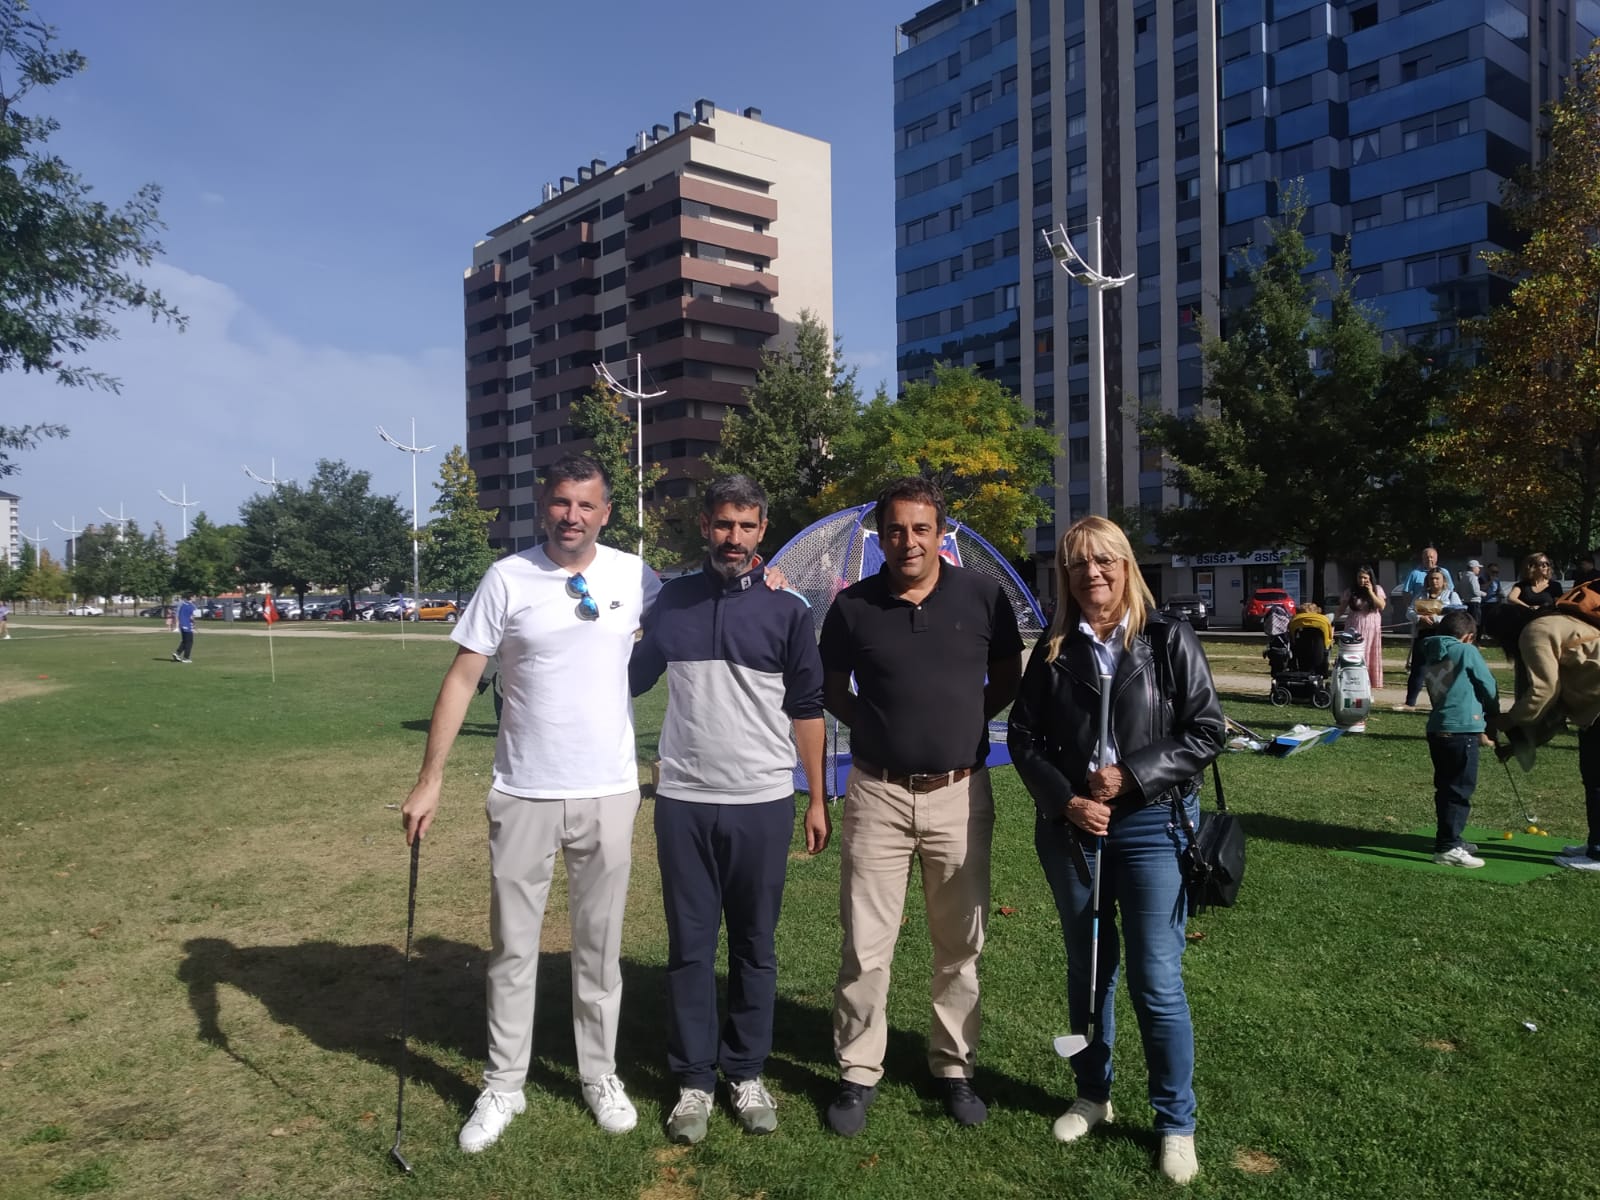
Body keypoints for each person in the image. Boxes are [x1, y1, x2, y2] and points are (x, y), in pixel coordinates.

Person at [401, 454, 662, 1152]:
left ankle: (598, 1074)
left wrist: (772, 580)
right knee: (512, 950)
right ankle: (504, 1084)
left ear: (606, 512)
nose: (571, 516)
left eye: (585, 505)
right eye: (559, 503)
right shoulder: (506, 578)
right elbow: (462, 680)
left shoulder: (635, 576)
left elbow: (703, 611)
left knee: (599, 951)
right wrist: (431, 777)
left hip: (608, 792)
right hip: (523, 792)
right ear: (541, 506)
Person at [1007, 515, 1224, 1187]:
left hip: (1153, 826)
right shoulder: (1053, 648)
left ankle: (1175, 1122)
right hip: (1075, 832)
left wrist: (1131, 774)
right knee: (1088, 971)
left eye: (1104, 561)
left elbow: (1207, 729)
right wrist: (1067, 800)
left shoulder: (1165, 639)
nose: (1092, 574)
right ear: (1066, 578)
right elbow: (1023, 739)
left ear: (1127, 567)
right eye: (1078, 565)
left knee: (1155, 982)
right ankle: (1093, 1094)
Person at [817, 477, 1023, 1136]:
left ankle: (954, 1067)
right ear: (879, 536)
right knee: (865, 944)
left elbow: (1010, 678)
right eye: (896, 529)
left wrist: (963, 723)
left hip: (960, 793)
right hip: (876, 792)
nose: (908, 541)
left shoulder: (983, 597)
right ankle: (858, 1069)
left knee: (959, 944)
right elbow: (830, 688)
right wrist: (877, 727)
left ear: (941, 533)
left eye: (921, 528)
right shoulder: (852, 608)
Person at [628, 474, 829, 1144]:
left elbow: (807, 710)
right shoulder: (674, 603)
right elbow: (627, 679)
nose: (732, 538)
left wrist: (817, 797)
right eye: (722, 525)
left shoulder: (789, 610)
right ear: (705, 526)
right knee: (689, 948)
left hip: (763, 801)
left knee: (754, 946)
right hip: (683, 800)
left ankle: (744, 1072)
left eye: (745, 527)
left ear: (762, 530)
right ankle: (692, 1081)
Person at [1490, 608, 1600, 871]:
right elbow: (1557, 712)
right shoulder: (1558, 624)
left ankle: (1598, 853)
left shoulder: (1535, 631)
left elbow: (1544, 691)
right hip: (1594, 713)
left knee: (1598, 782)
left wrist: (1509, 720)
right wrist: (1518, 747)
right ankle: (1595, 842)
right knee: (1593, 778)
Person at [1421, 610, 1499, 869]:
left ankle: (1451, 837)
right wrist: (1493, 716)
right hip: (1460, 729)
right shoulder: (1467, 651)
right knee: (1459, 789)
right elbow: (1488, 685)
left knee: (1447, 787)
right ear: (1468, 637)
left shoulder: (1430, 650)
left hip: (1438, 728)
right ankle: (1447, 847)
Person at [1397, 569, 1462, 711]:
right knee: (1417, 669)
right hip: (1422, 635)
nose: (1434, 581)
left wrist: (1435, 619)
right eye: (1431, 578)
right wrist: (1420, 618)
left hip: (1442, 637)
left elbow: (1457, 614)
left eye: (1437, 578)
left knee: (1442, 671)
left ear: (1444, 581)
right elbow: (1410, 611)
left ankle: (1443, 704)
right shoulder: (1420, 595)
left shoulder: (1451, 595)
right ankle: (1410, 702)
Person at [1334, 566, 1387, 690]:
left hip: (1372, 626)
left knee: (1370, 651)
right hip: (1355, 625)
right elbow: (1341, 609)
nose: (1362, 580)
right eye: (1360, 577)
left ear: (1370, 578)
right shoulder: (1350, 591)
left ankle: (1371, 680)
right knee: (1356, 652)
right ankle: (1354, 678)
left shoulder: (1377, 589)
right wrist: (1330, 620)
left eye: (1365, 578)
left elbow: (1382, 606)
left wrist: (1370, 592)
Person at [171, 594, 197, 663]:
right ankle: (186, 658)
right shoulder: (191, 606)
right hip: (187, 626)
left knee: (185, 641)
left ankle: (177, 654)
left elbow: (179, 614)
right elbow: (192, 617)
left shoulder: (183, 604)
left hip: (182, 625)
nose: (195, 598)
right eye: (194, 597)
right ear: (191, 597)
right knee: (189, 642)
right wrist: (194, 623)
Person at [1460, 559, 1485, 629]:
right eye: (1478, 567)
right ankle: (1475, 638)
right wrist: (1484, 594)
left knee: (1468, 623)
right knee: (1476, 623)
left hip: (1465, 602)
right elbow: (1476, 592)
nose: (1479, 569)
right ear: (1473, 568)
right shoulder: (1473, 577)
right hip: (1474, 603)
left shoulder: (1463, 577)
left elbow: (1458, 590)